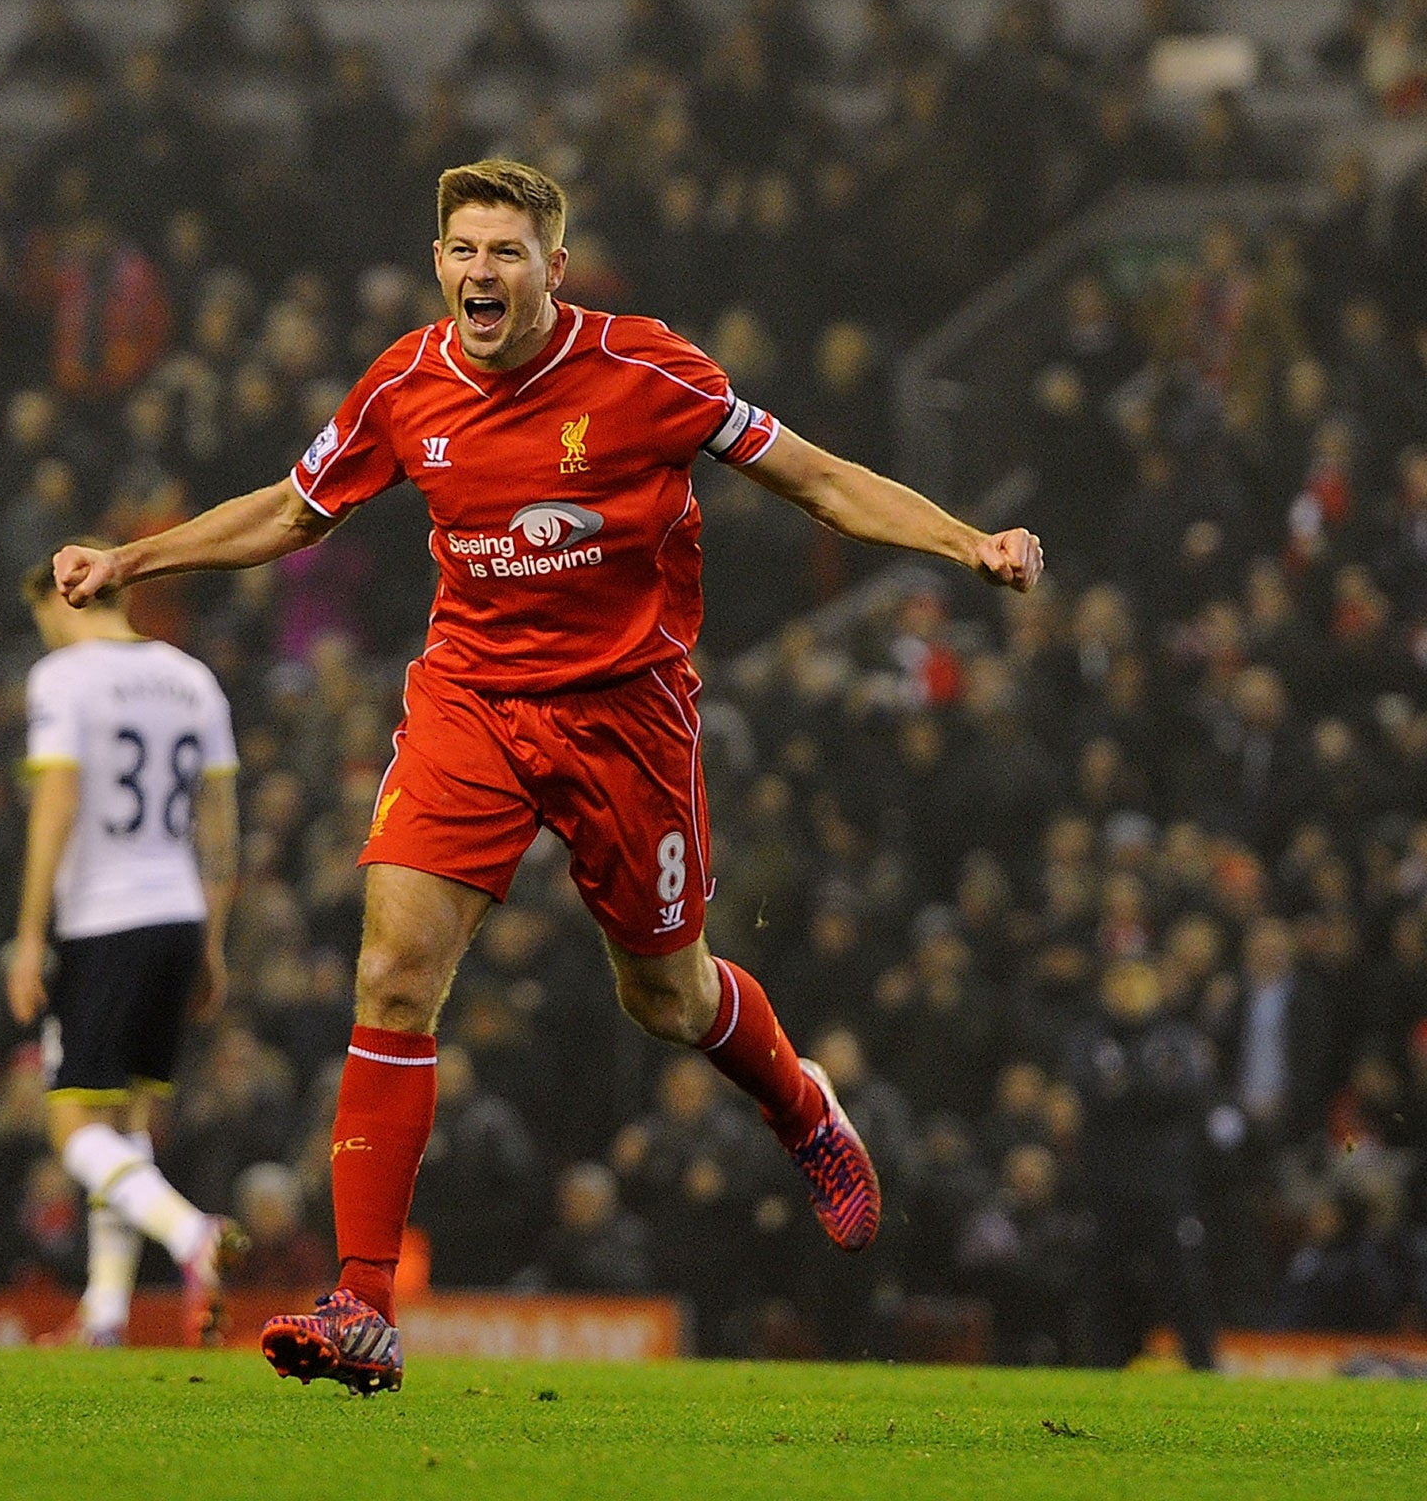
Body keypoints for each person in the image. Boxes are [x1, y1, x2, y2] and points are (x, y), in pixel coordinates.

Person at [53, 159, 1043, 1394]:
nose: (482, 272)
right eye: (464, 250)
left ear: (552, 269)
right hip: (468, 701)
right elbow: (293, 514)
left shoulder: (648, 373)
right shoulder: (404, 385)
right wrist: (135, 558)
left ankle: (799, 1105)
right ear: (438, 263)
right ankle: (362, 1299)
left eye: (507, 252)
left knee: (666, 1001)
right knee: (394, 971)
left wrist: (967, 540)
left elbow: (820, 480)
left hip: (625, 716)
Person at [6, 559, 245, 1346]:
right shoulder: (192, 680)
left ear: (58, 599)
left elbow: (59, 801)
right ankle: (105, 1312)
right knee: (128, 1115)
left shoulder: (64, 678)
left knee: (73, 1127)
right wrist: (213, 941)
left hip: (104, 918)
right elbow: (220, 825)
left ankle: (189, 1235)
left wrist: (32, 932)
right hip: (177, 913)